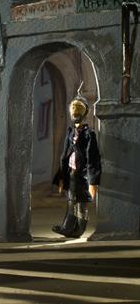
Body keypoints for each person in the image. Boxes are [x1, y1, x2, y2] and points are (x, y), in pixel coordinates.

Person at [52, 91, 101, 238]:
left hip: (82, 175)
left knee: (80, 202)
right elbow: (65, 155)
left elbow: (92, 158)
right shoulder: (70, 132)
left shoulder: (88, 134)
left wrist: (93, 182)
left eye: (78, 110)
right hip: (71, 173)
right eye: (73, 109)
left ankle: (77, 229)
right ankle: (69, 228)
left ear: (84, 113)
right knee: (71, 200)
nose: (75, 113)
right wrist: (61, 176)